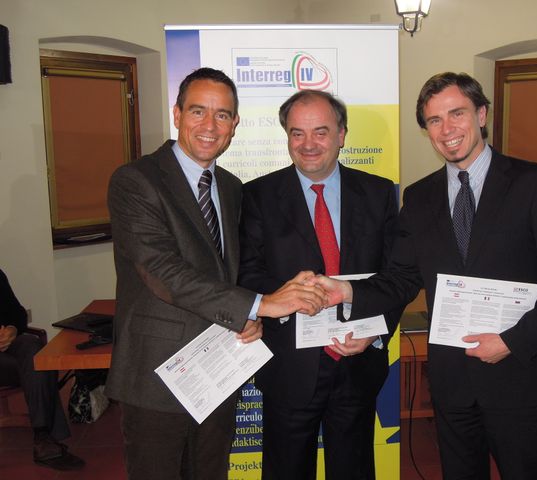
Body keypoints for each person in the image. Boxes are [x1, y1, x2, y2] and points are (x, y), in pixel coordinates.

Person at [316, 72, 537, 480]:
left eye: (456, 114)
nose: (447, 129)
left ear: (481, 114)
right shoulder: (419, 197)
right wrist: (348, 292)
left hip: (521, 377)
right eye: (434, 120)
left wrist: (512, 341)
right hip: (452, 382)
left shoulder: (533, 183)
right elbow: (401, 278)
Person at [104, 68, 326, 480]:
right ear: (177, 114)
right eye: (198, 111)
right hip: (157, 373)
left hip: (218, 370)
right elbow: (163, 271)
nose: (210, 125)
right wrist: (259, 304)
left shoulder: (231, 186)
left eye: (222, 114)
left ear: (235, 124)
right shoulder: (136, 181)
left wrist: (250, 315)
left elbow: (229, 270)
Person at [238, 90, 401, 480]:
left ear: (342, 135)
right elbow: (245, 273)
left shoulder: (379, 193)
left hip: (358, 360)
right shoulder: (256, 195)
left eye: (320, 132)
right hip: (289, 366)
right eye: (297, 133)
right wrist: (284, 297)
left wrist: (376, 332)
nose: (308, 144)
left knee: (354, 470)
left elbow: (396, 275)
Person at [0, 268, 85, 471]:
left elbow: (17, 313)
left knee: (34, 349)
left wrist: (12, 329)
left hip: (5, 349)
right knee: (35, 367)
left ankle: (42, 436)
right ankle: (46, 438)